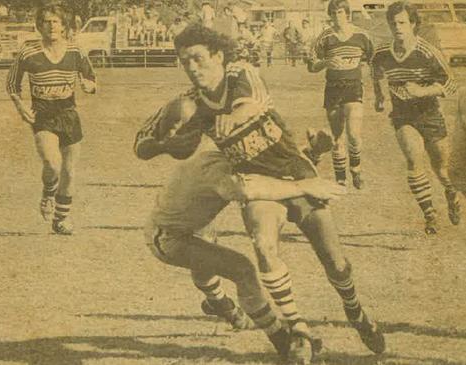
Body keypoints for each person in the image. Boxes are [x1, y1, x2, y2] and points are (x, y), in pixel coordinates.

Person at [171, 23, 386, 354]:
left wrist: (236, 114)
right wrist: (162, 139)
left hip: (294, 170)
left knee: (335, 262)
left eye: (198, 58)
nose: (192, 68)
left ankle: (354, 309)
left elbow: (253, 102)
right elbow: (165, 139)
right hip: (259, 183)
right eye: (185, 62)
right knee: (264, 245)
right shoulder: (192, 102)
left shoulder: (239, 72)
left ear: (217, 55)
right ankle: (297, 327)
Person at [134, 108, 346, 362]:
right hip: (168, 237)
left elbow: (266, 169)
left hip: (190, 226)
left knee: (208, 251)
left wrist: (311, 152)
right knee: (242, 269)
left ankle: (221, 305)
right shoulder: (218, 168)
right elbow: (250, 189)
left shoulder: (221, 154)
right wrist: (304, 184)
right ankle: (281, 340)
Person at [371, 1, 460, 233]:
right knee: (414, 160)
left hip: (430, 113)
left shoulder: (427, 51)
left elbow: (451, 84)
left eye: (402, 22)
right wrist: (379, 96)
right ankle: (429, 214)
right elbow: (376, 73)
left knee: (442, 170)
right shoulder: (382, 53)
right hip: (403, 115)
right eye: (393, 23)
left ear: (412, 24)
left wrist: (423, 90)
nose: (397, 27)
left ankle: (451, 193)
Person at [7, 4, 96, 235]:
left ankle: (61, 219)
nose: (51, 26)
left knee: (69, 171)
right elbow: (11, 84)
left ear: (64, 25)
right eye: (46, 21)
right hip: (42, 112)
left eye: (56, 21)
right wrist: (20, 107)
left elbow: (91, 77)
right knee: (52, 163)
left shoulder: (76, 50)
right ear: (39, 26)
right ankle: (48, 193)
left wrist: (89, 85)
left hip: (68, 112)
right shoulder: (28, 51)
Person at [307, 0, 374, 189]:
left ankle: (356, 168)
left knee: (354, 134)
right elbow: (311, 66)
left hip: (354, 87)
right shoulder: (325, 38)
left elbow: (373, 62)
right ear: (330, 15)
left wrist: (361, 72)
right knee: (337, 136)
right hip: (333, 89)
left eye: (341, 12)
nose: (338, 17)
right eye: (334, 13)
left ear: (347, 14)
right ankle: (340, 178)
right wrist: (326, 63)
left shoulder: (362, 35)